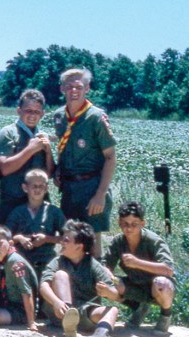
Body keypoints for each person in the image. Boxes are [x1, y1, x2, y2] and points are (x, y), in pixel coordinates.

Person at [53, 68, 116, 258]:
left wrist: (100, 194)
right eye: (69, 86)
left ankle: (96, 282)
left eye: (79, 87)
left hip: (92, 186)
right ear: (61, 88)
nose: (74, 91)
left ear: (87, 88)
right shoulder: (59, 116)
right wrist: (58, 169)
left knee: (92, 241)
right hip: (70, 188)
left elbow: (110, 157)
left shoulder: (96, 117)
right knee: (71, 239)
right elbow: (64, 147)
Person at [99, 201, 175, 333]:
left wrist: (137, 263)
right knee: (105, 282)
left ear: (142, 223)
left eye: (134, 224)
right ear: (119, 223)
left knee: (161, 282)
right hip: (135, 285)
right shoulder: (118, 241)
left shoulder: (153, 240)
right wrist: (109, 275)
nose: (129, 229)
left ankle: (165, 314)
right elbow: (105, 265)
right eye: (125, 224)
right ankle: (139, 308)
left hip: (157, 287)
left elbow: (168, 270)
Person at [39, 220, 119, 337]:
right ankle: (69, 322)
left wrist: (107, 291)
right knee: (61, 274)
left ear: (79, 247)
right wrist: (56, 302)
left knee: (113, 310)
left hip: (84, 312)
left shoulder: (93, 265)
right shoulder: (58, 261)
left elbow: (115, 295)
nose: (61, 242)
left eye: (66, 240)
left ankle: (100, 334)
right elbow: (43, 286)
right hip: (60, 312)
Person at [0, 89, 54, 224]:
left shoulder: (42, 136)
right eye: (28, 110)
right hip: (12, 204)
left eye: (37, 112)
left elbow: (49, 174)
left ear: (42, 114)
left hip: (38, 205)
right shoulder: (8, 133)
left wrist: (48, 151)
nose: (32, 115)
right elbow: (4, 168)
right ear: (19, 110)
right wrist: (31, 149)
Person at [5, 169, 65, 280]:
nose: (37, 190)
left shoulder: (54, 212)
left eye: (41, 186)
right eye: (34, 186)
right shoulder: (17, 212)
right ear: (25, 188)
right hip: (22, 262)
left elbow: (67, 238)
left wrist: (46, 239)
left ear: (46, 188)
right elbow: (6, 238)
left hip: (47, 262)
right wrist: (20, 238)